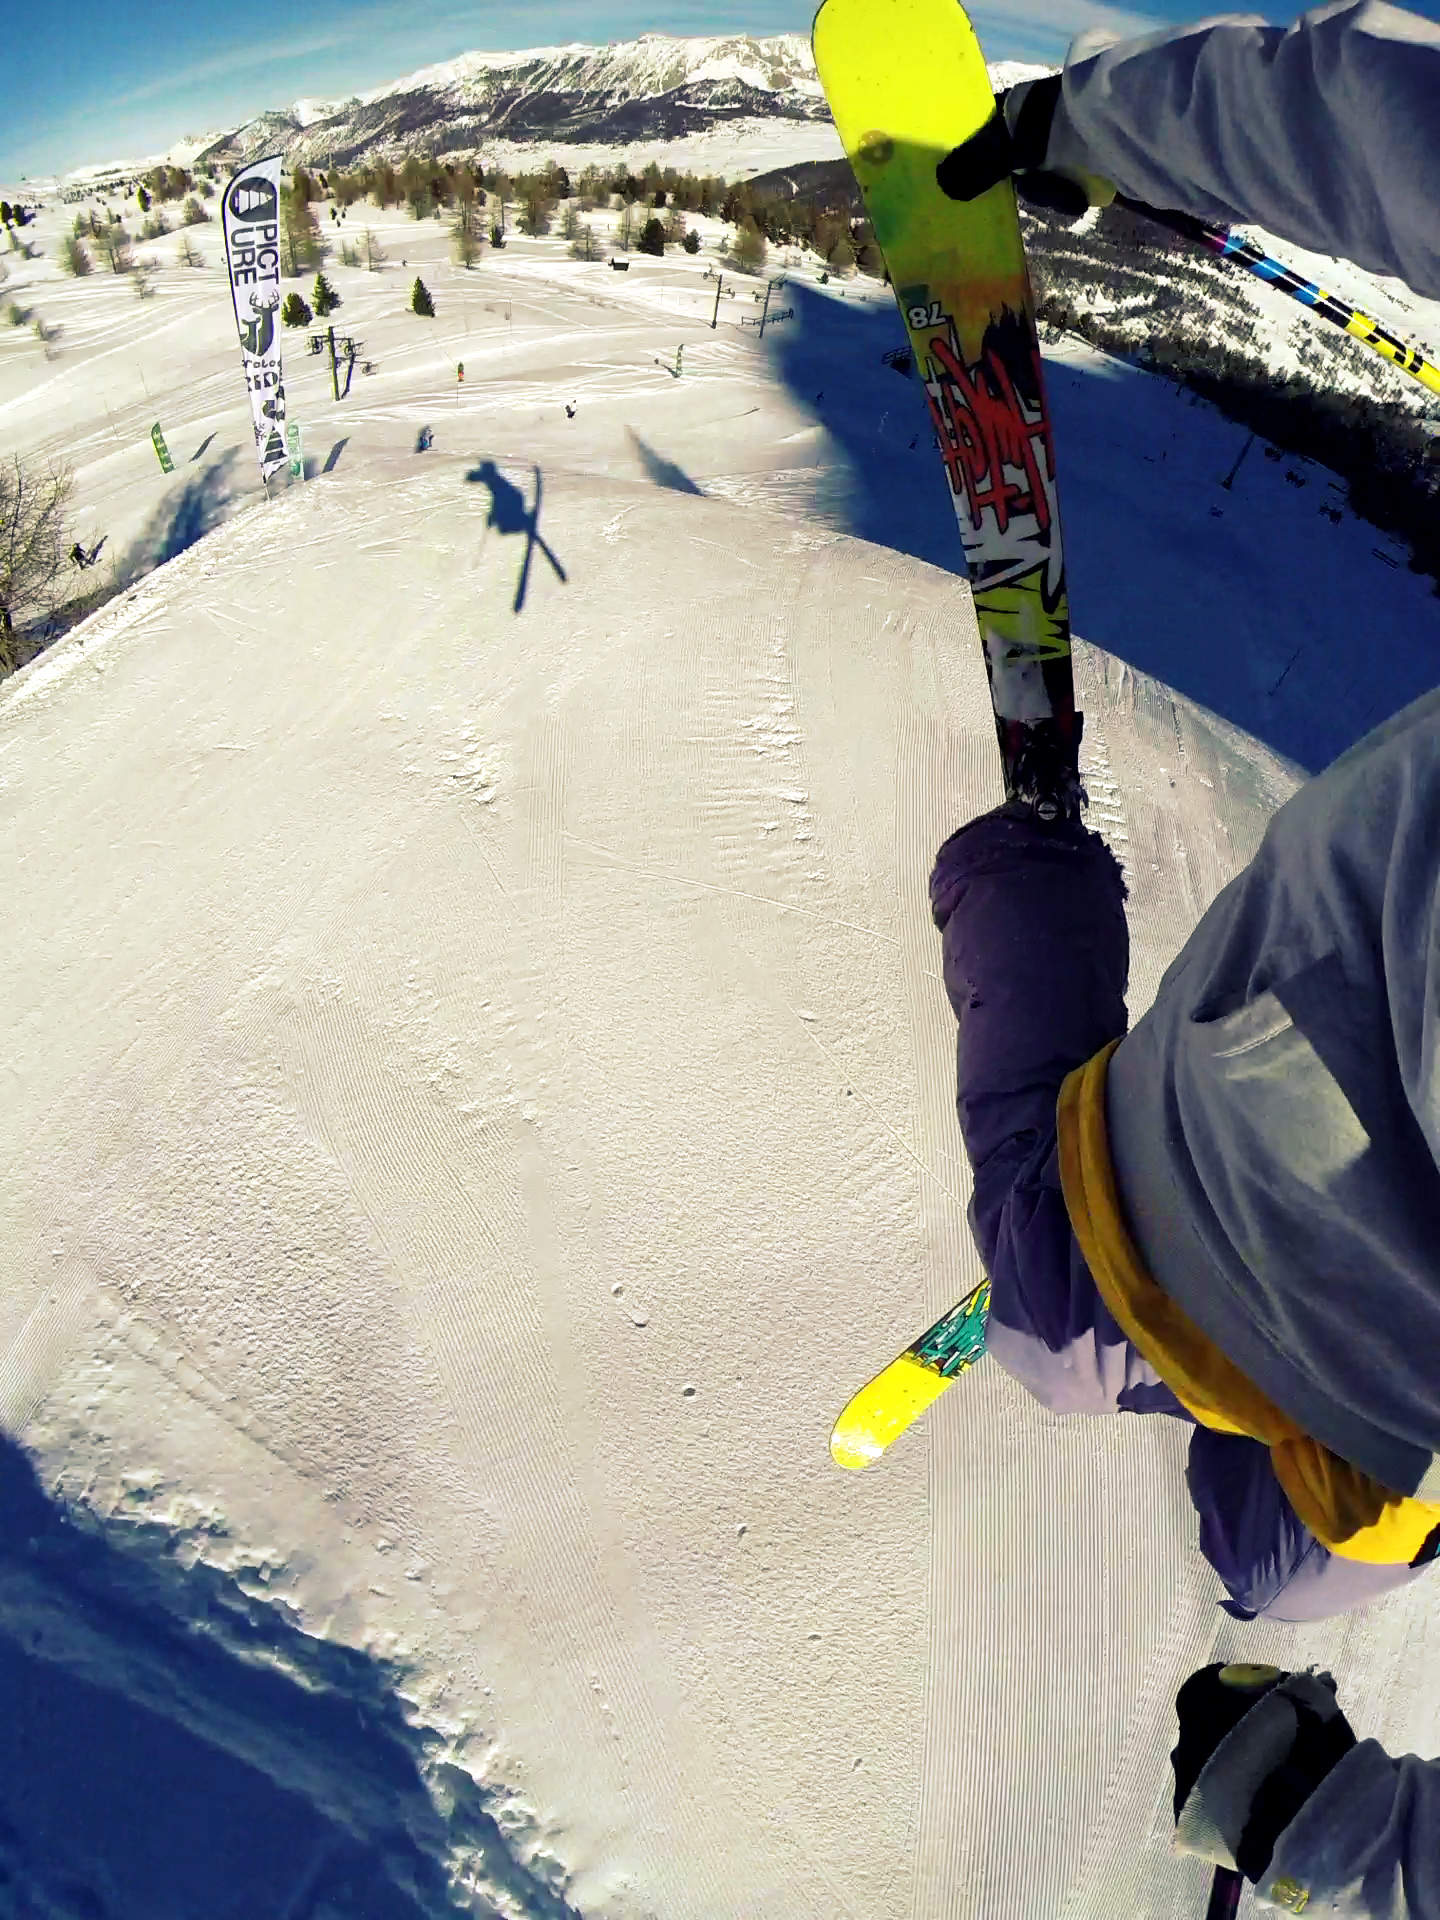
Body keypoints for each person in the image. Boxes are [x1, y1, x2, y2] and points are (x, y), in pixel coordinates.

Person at [930, 2, 1440, 1911]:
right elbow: (1381, 116)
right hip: (1215, 1210)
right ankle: (1030, 890)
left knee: (1212, 1494)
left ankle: (1031, 879)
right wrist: (1101, 122)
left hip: (1356, 1379)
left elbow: (1374, 115)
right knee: (1066, 1338)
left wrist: (1097, 125)